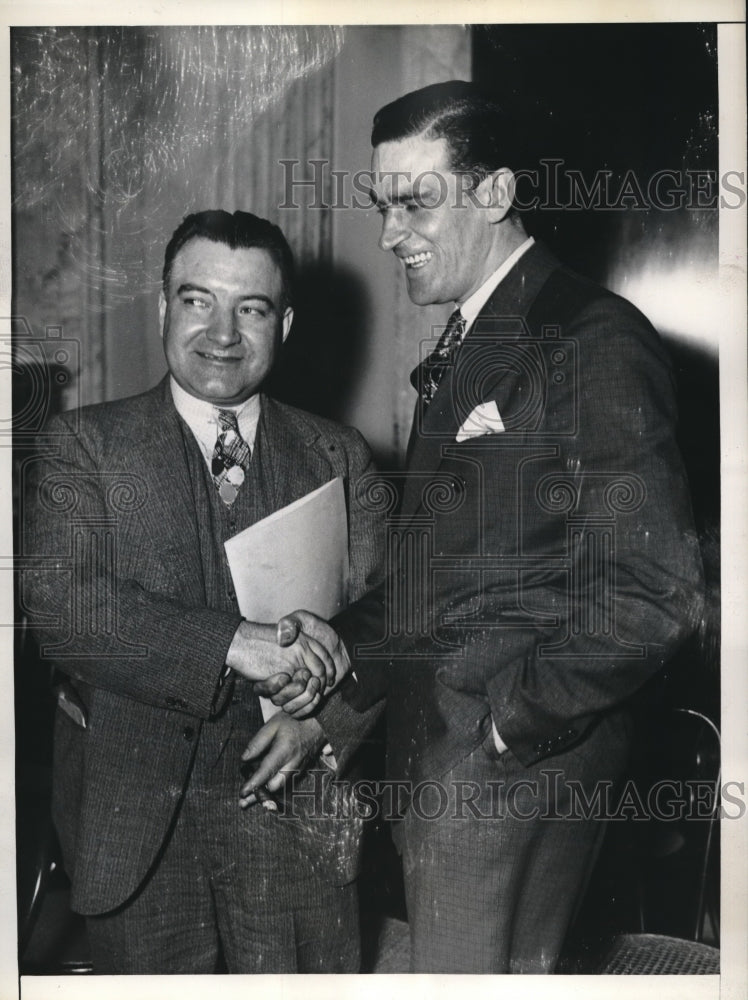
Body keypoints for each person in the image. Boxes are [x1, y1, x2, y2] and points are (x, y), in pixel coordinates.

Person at [271, 81, 705, 973]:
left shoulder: (590, 338)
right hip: (452, 757)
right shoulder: (475, 336)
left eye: (416, 203)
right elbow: (445, 575)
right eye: (383, 206)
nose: (391, 235)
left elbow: (653, 595)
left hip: (508, 769)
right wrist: (339, 666)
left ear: (498, 194)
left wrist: (508, 728)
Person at [22, 210, 383, 973]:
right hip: (138, 830)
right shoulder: (82, 445)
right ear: (162, 307)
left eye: (250, 309)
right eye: (197, 301)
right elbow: (65, 611)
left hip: (299, 827)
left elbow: (399, 623)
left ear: (283, 323)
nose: (222, 333)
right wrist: (232, 644)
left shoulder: (339, 455)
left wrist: (327, 725)